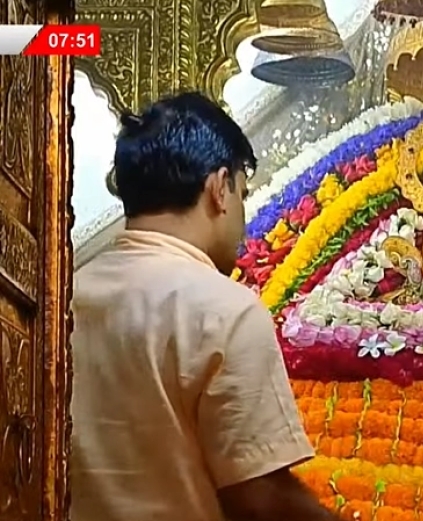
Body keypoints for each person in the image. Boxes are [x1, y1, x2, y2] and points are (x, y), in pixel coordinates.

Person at [70, 92, 339, 521]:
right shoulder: (224, 310)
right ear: (219, 189)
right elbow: (259, 498)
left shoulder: (62, 302)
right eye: (242, 194)